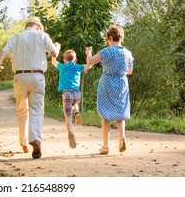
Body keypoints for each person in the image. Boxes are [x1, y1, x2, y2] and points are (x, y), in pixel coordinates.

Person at [0, 17, 59, 159]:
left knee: (21, 110)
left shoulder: (16, 37)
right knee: (37, 109)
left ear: (27, 25)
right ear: (38, 27)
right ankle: (36, 139)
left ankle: (23, 142)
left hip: (19, 77)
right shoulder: (43, 36)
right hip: (37, 76)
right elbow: (54, 54)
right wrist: (57, 46)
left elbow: (3, 53)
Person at [85, 25, 133, 155]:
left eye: (108, 39)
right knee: (120, 112)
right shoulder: (128, 53)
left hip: (107, 82)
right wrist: (119, 71)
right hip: (122, 83)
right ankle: (122, 137)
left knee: (105, 114)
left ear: (111, 38)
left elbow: (90, 62)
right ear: (121, 38)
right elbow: (129, 71)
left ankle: (105, 146)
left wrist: (88, 52)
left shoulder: (106, 51)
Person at [51, 47, 92, 149]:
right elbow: (89, 65)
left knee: (68, 116)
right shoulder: (77, 67)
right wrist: (88, 53)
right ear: (75, 60)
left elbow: (53, 61)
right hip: (77, 93)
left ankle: (70, 132)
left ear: (64, 60)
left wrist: (56, 49)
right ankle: (77, 113)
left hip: (66, 93)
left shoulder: (62, 66)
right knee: (74, 103)